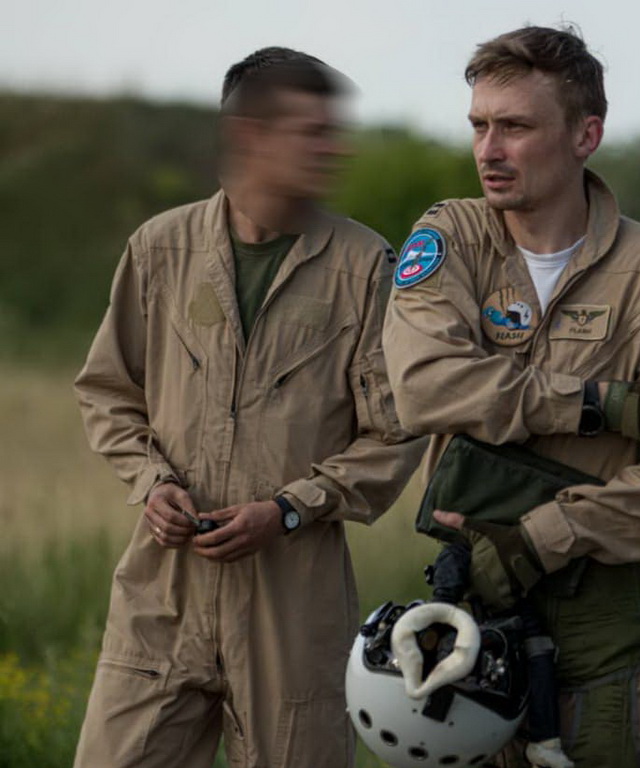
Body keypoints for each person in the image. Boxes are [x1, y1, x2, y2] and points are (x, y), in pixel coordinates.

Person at [382, 25, 640, 768]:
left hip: (600, 612)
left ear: (586, 134)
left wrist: (550, 535)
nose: (489, 149)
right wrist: (603, 405)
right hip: (467, 607)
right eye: (479, 126)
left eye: (515, 127)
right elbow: (425, 385)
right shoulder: (450, 238)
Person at [72, 47, 424, 768]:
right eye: (312, 131)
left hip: (293, 606)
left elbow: (394, 434)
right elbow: (107, 390)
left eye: (335, 130)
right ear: (249, 137)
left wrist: (290, 509)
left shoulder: (366, 267)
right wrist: (152, 482)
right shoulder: (160, 249)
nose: (334, 148)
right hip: (161, 595)